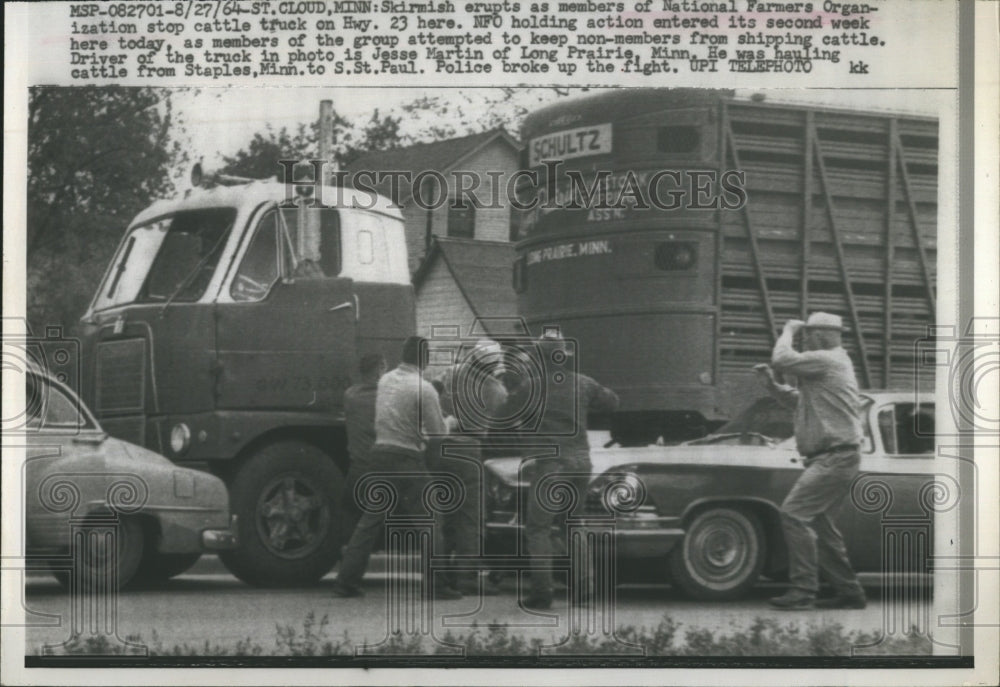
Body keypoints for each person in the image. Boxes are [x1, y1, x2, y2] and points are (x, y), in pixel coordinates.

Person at [332, 336, 462, 600]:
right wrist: (451, 422)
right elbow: (438, 434)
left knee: (371, 519)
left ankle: (347, 580)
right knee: (431, 519)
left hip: (379, 454)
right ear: (424, 360)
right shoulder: (424, 388)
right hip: (406, 457)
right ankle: (436, 584)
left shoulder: (385, 380)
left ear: (403, 355)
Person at [756, 312, 867, 610]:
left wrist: (788, 329)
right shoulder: (830, 365)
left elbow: (782, 359)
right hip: (836, 457)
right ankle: (850, 592)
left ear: (820, 335)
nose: (804, 341)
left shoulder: (829, 359)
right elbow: (799, 403)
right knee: (820, 525)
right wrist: (771, 386)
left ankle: (803, 591)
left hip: (834, 457)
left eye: (807, 335)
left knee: (793, 514)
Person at [521, 330, 619, 610]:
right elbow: (612, 402)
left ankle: (541, 593)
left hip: (551, 465)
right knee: (574, 525)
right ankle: (584, 591)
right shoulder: (583, 383)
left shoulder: (531, 387)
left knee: (539, 528)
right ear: (563, 356)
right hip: (580, 464)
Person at [434, 339, 508, 596]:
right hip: (469, 447)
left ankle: (440, 575)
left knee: (444, 515)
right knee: (470, 517)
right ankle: (465, 575)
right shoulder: (496, 389)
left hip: (440, 445)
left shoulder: (451, 373)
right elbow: (506, 422)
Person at [339, 352, 387, 536]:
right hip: (381, 471)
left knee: (349, 510)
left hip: (357, 471)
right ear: (378, 372)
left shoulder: (350, 395)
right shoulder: (386, 398)